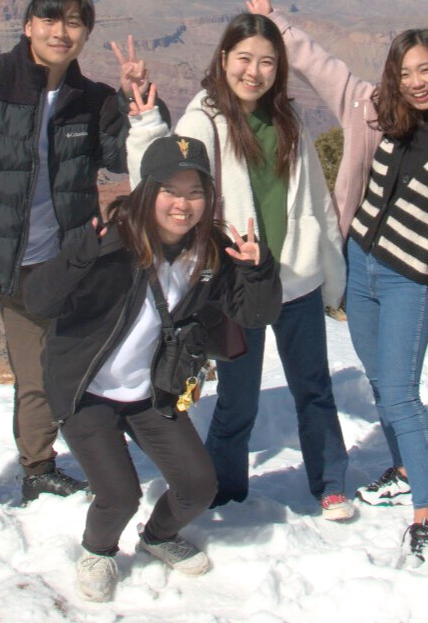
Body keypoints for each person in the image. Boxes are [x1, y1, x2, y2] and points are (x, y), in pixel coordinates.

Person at [0, 0, 165, 543]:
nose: (60, 31)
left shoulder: (92, 100)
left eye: (73, 22)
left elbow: (135, 158)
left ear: (85, 34)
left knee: (41, 378)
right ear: (28, 25)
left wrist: (140, 102)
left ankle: (39, 468)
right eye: (50, 19)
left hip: (45, 269)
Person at [249, 0, 428, 572]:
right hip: (362, 269)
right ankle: (405, 469)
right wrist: (275, 22)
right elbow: (319, 65)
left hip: (411, 279)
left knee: (400, 391)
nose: (416, 82)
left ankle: (427, 516)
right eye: (405, 73)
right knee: (381, 383)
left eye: (426, 70)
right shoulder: (374, 109)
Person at [24, 123, 281, 602]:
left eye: (194, 192)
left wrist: (257, 268)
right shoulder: (110, 241)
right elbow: (38, 302)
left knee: (199, 485)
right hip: (87, 391)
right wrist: (76, 258)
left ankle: (158, 536)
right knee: (119, 493)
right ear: (148, 192)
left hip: (150, 391)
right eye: (169, 190)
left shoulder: (211, 251)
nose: (182, 204)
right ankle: (98, 551)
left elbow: (257, 314)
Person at [128, 4, 351, 522]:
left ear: (279, 68)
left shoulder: (287, 119)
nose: (254, 71)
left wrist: (333, 281)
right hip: (237, 286)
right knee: (238, 400)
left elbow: (317, 203)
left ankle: (331, 483)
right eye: (244, 58)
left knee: (313, 388)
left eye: (268, 61)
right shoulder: (205, 117)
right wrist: (143, 121)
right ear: (224, 58)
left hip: (295, 278)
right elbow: (162, 172)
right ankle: (225, 490)